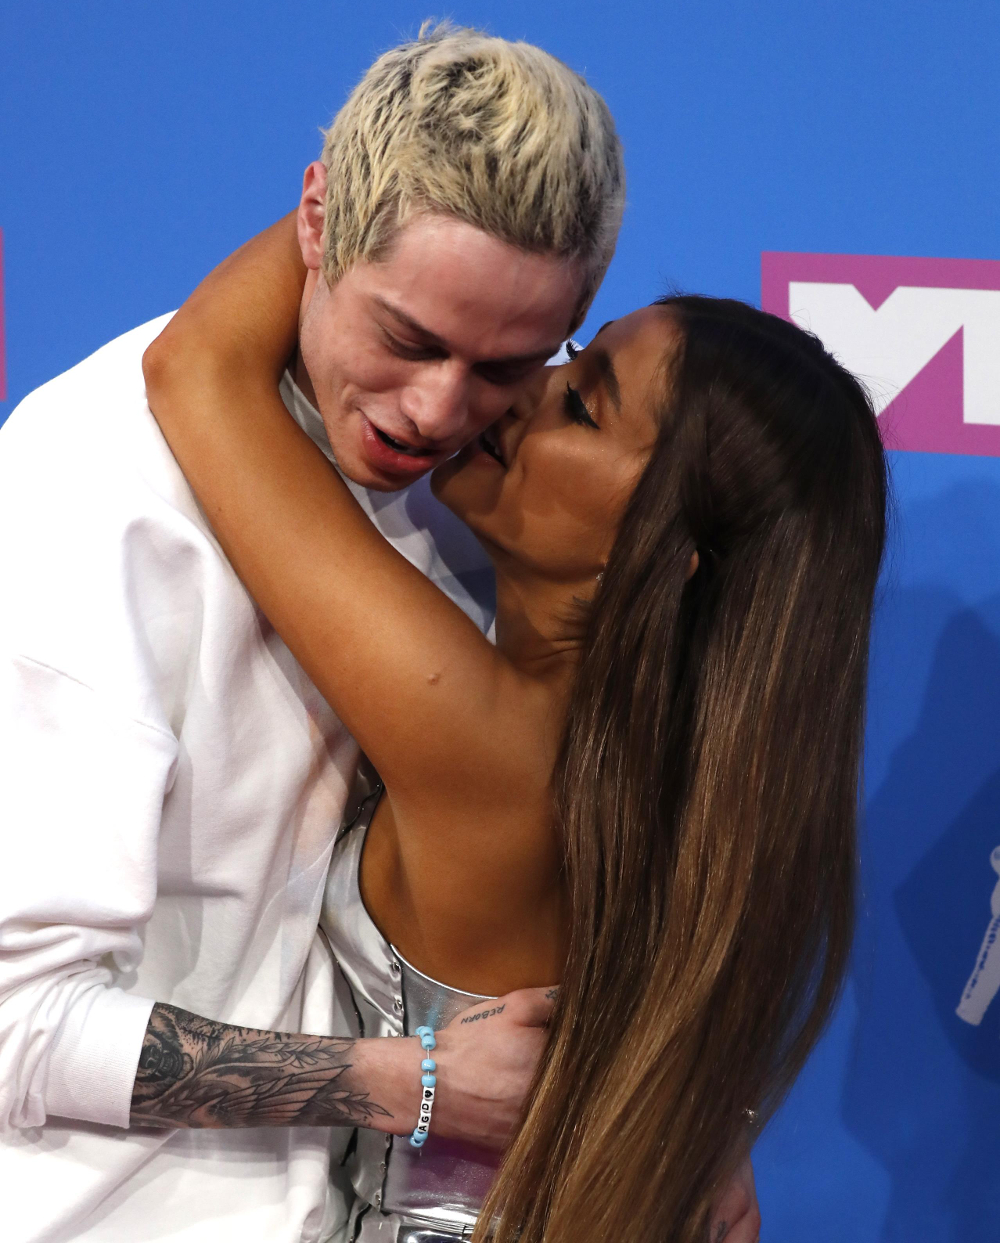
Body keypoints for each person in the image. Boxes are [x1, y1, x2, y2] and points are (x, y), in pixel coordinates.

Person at [140, 201, 888, 1242]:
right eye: (572, 356)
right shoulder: (686, 777)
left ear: (668, 554)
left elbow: (200, 366)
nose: (517, 387)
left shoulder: (493, 743)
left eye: (580, 408)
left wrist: (381, 199)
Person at [0, 25, 628, 1243]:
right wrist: (403, 1082)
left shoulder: (483, 508)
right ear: (315, 223)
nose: (440, 410)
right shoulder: (91, 499)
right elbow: (13, 1022)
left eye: (504, 364)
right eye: (405, 338)